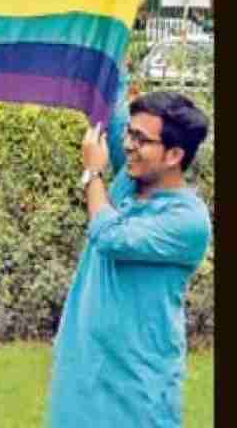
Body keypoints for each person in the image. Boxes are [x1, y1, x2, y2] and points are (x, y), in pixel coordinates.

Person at [47, 90, 212, 427]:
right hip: (83, 376)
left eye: (141, 139)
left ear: (174, 155)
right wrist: (111, 62)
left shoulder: (188, 220)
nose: (128, 144)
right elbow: (111, 97)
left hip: (137, 389)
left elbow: (109, 237)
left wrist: (93, 173)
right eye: (129, 133)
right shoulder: (131, 182)